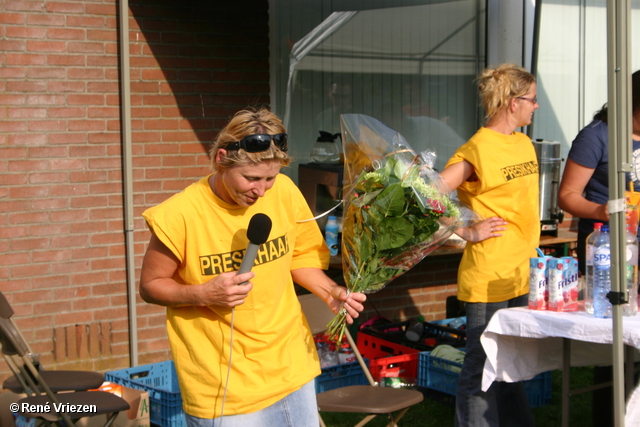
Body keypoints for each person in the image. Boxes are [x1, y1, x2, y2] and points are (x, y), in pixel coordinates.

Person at [139, 107, 366, 427]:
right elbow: (150, 286)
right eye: (251, 179)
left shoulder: (285, 192)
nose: (261, 191)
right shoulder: (180, 215)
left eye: (270, 178)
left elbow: (300, 256)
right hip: (225, 386)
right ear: (221, 159)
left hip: (291, 367)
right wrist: (203, 293)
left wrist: (329, 291)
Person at [439, 63, 540, 427]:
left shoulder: (523, 141)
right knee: (481, 364)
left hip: (519, 271)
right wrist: (465, 230)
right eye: (531, 99)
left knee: (510, 361)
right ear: (513, 103)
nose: (536, 106)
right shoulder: (478, 148)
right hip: (488, 273)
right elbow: (428, 194)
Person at [558, 69, 640, 427]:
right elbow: (567, 195)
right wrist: (601, 209)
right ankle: (610, 414)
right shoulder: (597, 136)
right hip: (607, 247)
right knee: (614, 335)